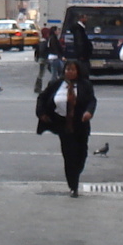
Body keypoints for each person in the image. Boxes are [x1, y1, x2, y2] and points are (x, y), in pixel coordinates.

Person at [36, 59, 97, 196]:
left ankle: (76, 171)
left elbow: (92, 100)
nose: (69, 72)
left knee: (81, 154)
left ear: (77, 71)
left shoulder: (85, 85)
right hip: (63, 125)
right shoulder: (56, 84)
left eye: (72, 70)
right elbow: (42, 98)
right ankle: (73, 185)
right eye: (67, 70)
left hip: (80, 123)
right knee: (69, 155)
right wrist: (42, 114)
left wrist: (89, 112)